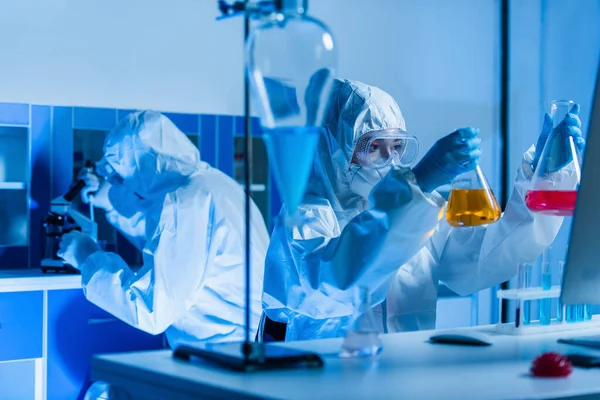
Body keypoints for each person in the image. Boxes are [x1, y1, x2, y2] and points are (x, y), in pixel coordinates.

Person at [260, 79, 582, 341]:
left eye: (396, 146)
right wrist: (420, 184)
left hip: (408, 375)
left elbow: (489, 255)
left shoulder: (418, 212)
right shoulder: (303, 218)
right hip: (331, 384)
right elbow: (335, 284)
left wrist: (545, 174)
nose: (390, 161)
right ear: (335, 149)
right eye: (374, 147)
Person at [58, 110, 269, 347]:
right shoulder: (213, 185)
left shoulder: (185, 206)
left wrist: (87, 256)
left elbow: (151, 310)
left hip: (220, 355)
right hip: (243, 344)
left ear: (144, 166)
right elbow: (158, 229)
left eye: (120, 175)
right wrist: (104, 195)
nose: (117, 183)